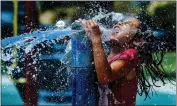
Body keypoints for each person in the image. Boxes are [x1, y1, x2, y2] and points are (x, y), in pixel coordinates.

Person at [78, 17, 173, 106]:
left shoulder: (131, 55)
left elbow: (105, 78)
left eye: (128, 24)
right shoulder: (105, 54)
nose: (120, 23)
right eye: (122, 22)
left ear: (137, 41)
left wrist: (96, 38)